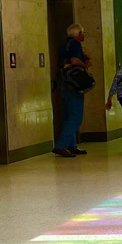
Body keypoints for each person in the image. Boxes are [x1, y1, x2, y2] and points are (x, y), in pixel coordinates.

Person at [53, 23, 91, 158]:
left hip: (64, 81)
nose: (84, 35)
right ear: (79, 34)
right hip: (74, 83)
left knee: (69, 114)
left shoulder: (64, 45)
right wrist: (84, 65)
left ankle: (71, 145)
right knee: (75, 116)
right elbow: (74, 61)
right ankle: (61, 145)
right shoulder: (75, 44)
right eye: (83, 33)